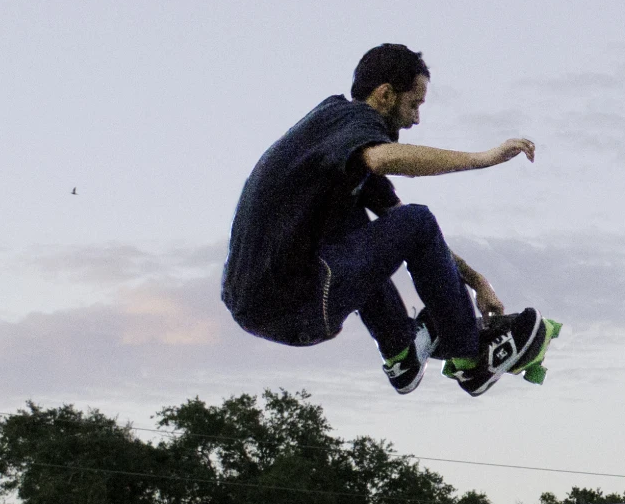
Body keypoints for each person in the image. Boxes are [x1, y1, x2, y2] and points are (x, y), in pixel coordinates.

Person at [221, 43, 547, 395]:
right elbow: (383, 164)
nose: (416, 119)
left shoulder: (333, 149)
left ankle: (402, 351)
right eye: (414, 104)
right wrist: (485, 158)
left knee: (365, 221)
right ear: (386, 95)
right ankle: (472, 359)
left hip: (264, 305)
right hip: (294, 298)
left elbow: (407, 235)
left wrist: (476, 280)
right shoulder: (349, 120)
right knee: (416, 219)